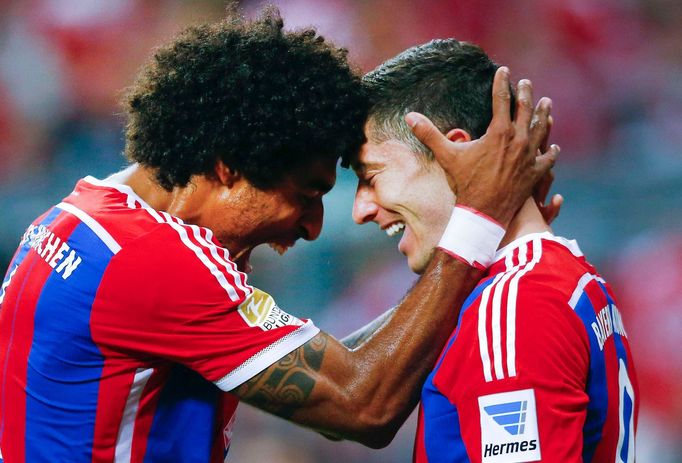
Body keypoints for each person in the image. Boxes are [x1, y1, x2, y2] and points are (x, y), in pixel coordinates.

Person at [0, 10, 555, 463]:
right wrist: (478, 222)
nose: (313, 226)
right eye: (307, 193)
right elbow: (364, 404)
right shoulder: (155, 260)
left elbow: (341, 368)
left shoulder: (78, 219)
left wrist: (474, 256)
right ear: (229, 165)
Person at [352, 39, 638, 462]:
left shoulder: (517, 302)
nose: (361, 209)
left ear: (455, 154)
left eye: (371, 175)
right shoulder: (566, 278)